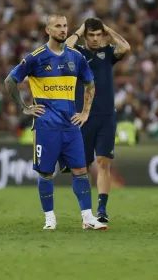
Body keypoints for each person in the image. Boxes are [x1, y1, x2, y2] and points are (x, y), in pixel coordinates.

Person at [4, 13, 107, 231]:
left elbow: (90, 84)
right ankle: (50, 218)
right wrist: (25, 107)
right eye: (58, 26)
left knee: (81, 170)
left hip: (71, 125)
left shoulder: (76, 57)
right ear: (47, 30)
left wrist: (85, 112)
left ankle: (88, 218)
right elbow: (10, 81)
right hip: (46, 126)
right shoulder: (36, 57)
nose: (63, 29)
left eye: (65, 26)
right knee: (45, 173)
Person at [65, 17, 130, 223]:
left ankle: (101, 209)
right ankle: (87, 211)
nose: (95, 39)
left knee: (103, 162)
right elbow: (65, 47)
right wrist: (80, 28)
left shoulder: (108, 52)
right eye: (91, 35)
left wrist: (108, 30)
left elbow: (125, 47)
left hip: (106, 116)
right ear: (85, 36)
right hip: (83, 116)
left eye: (97, 35)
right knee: (83, 166)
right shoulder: (78, 54)